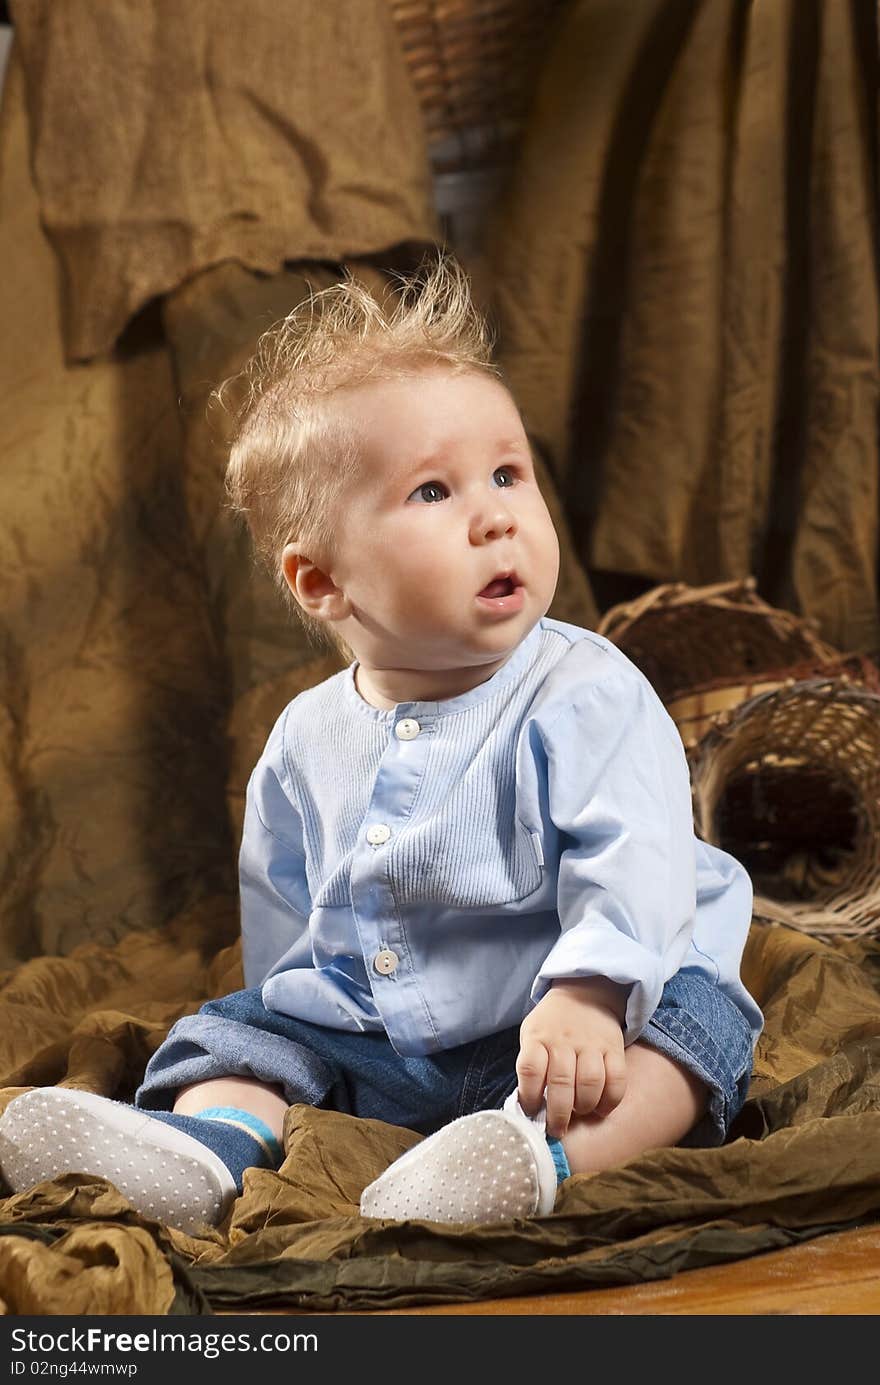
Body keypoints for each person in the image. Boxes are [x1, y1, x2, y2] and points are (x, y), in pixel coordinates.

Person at [0, 255, 762, 1235]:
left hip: (576, 1024)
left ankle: (543, 1158)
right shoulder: (306, 732)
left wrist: (586, 991)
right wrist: (305, 1009)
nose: (495, 514)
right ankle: (211, 1151)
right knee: (234, 1030)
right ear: (321, 585)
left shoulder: (584, 689)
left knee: (696, 1027)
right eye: (434, 492)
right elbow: (287, 901)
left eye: (507, 472)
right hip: (386, 1038)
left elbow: (640, 860)